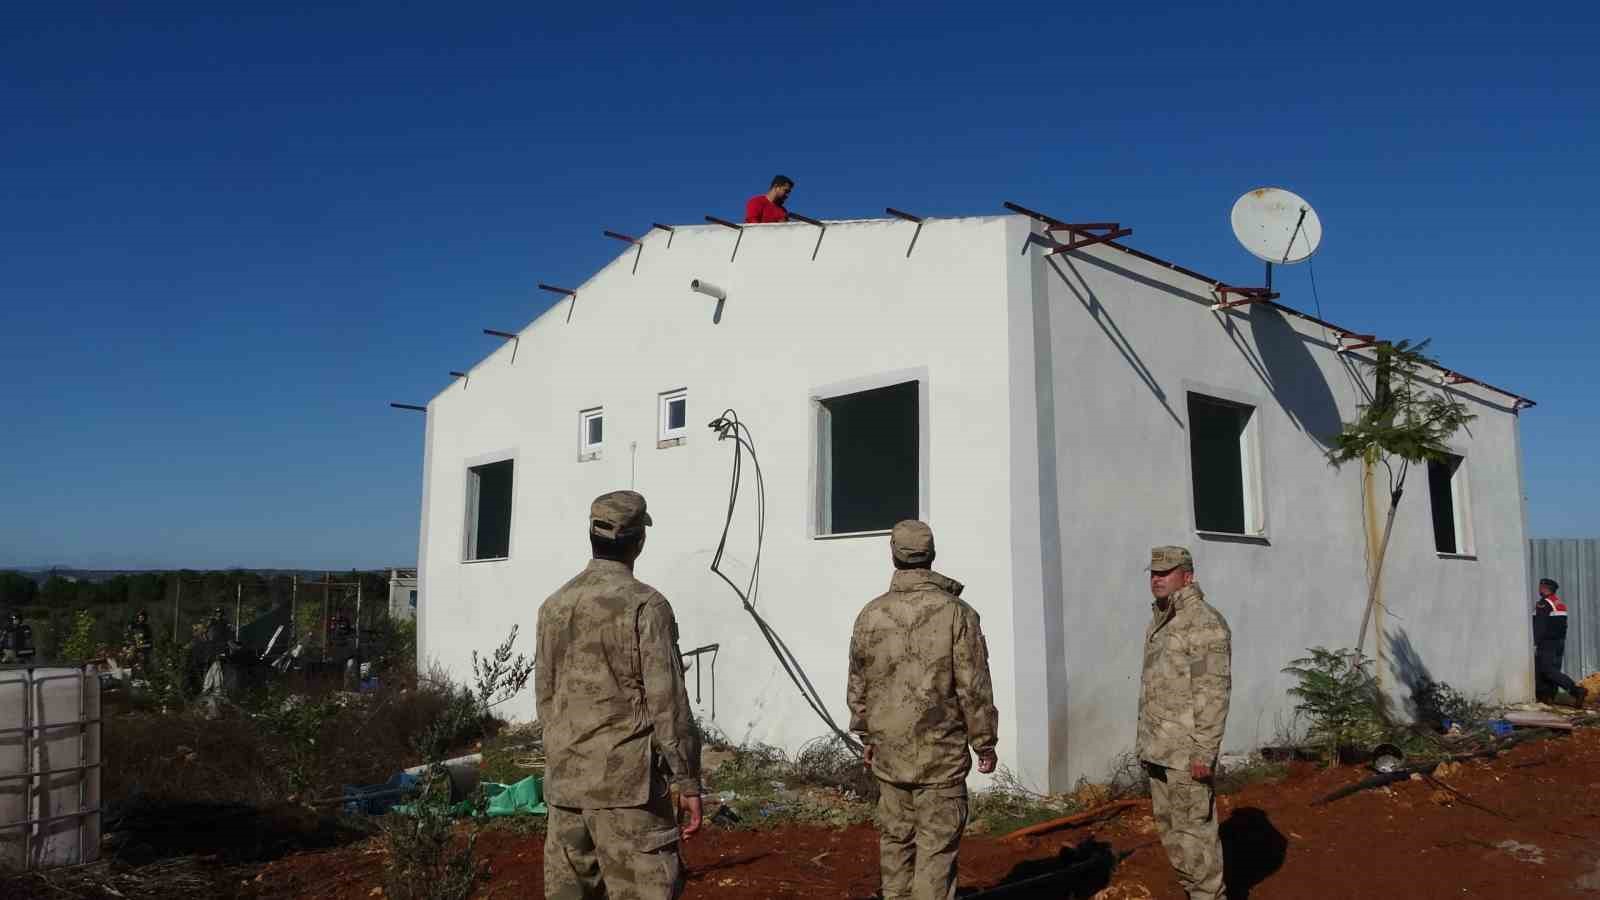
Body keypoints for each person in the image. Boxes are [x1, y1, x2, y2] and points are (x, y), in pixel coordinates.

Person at [537, 490, 701, 900]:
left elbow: (546, 696)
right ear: (639, 542)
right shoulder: (646, 605)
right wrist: (688, 781)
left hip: (565, 788)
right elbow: (668, 704)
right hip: (629, 792)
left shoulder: (554, 605)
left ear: (591, 536)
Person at [848, 520, 998, 900]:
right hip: (940, 755)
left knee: (896, 843)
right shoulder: (957, 613)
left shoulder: (871, 614)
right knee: (935, 850)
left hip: (889, 751)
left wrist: (865, 732)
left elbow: (859, 681)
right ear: (931, 555)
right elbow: (973, 686)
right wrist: (984, 741)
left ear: (894, 555)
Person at [1139, 546, 1231, 900]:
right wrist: (1145, 744)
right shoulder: (1162, 620)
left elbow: (1212, 693)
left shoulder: (1203, 623)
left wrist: (1204, 752)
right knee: (1174, 838)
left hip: (1186, 757)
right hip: (1161, 751)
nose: (1157, 578)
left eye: (1166, 572)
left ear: (1188, 576)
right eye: (1153, 573)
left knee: (1195, 839)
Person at [1533, 578, 1586, 705]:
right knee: (1551, 669)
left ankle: (1576, 690)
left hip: (1547, 643)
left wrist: (1534, 641)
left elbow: (1540, 625)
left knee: (1547, 670)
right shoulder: (1558, 603)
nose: (1539, 588)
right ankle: (1548, 697)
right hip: (1559, 642)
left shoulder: (1544, 604)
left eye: (1541, 586)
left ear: (1546, 589)